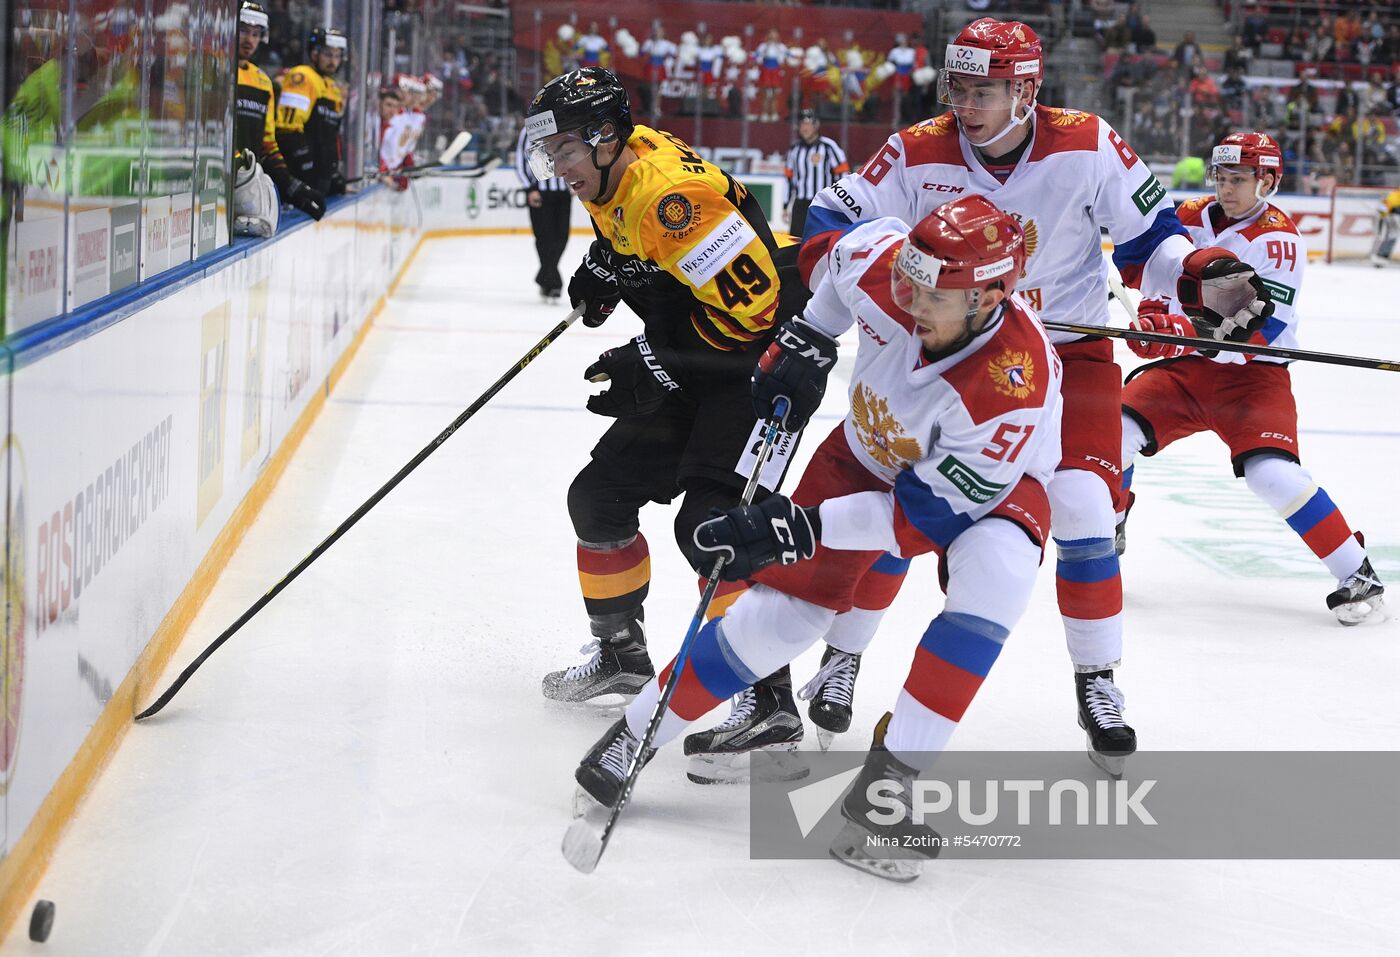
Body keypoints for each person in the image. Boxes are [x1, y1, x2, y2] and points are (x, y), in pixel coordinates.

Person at [791, 17, 1268, 776]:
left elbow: (1150, 237)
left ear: (1026, 90)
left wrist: (1200, 271)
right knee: (904, 497)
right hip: (951, 354)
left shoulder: (1086, 141)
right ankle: (843, 655)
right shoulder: (919, 147)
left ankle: (1097, 677)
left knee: (1085, 503)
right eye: (957, 88)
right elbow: (827, 220)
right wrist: (842, 288)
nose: (965, 106)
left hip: (1069, 354)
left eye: (984, 91)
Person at [573, 196, 1063, 882]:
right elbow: (833, 256)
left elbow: (914, 522)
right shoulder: (887, 264)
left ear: (987, 299)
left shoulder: (1010, 390)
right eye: (909, 285)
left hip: (992, 490)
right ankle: (634, 733)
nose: (912, 303)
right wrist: (811, 334)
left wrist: (798, 526)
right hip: (865, 453)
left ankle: (889, 790)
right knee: (785, 617)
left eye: (934, 297)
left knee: (997, 579)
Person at [524, 70, 810, 751]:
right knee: (598, 499)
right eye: (551, 153)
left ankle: (768, 698)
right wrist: (610, 265)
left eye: (565, 150)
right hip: (704, 364)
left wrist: (651, 358)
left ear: (605, 138)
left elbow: (755, 313)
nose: (557, 167)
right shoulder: (616, 170)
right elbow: (646, 247)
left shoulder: (671, 198)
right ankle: (622, 655)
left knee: (713, 527)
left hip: (762, 374)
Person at [1118, 133, 1385, 625]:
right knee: (1113, 433)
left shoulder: (1277, 240)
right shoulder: (1191, 214)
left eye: (1239, 179)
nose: (1226, 188)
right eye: (1221, 177)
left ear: (1267, 181)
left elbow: (1260, 330)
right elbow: (1154, 269)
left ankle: (1357, 572)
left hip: (1253, 378)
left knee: (1272, 474)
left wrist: (1176, 334)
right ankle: (1106, 531)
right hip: (1187, 371)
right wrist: (1153, 314)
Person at [233, 1, 323, 231]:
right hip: (219, 184)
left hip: (245, 187)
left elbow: (268, 144)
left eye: (255, 33)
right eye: (243, 30)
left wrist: (290, 184)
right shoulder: (218, 73)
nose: (249, 39)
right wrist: (239, 165)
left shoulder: (263, 82)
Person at [275, 27, 348, 198]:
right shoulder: (303, 77)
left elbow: (330, 135)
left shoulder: (332, 88)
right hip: (299, 175)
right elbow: (288, 130)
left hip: (319, 176)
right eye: (328, 55)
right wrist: (306, 165)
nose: (333, 61)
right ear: (314, 54)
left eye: (337, 56)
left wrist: (331, 172)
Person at [514, 121, 571, 302]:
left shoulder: (566, 126)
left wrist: (574, 182)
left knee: (561, 238)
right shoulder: (530, 130)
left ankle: (544, 278)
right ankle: (554, 283)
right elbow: (520, 161)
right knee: (545, 239)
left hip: (562, 193)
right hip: (540, 193)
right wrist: (530, 189)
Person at [782, 110, 849, 240]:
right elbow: (789, 179)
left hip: (822, 203)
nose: (804, 128)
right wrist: (785, 205)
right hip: (800, 205)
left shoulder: (828, 146)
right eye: (801, 124)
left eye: (808, 124)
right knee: (796, 243)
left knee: (821, 241)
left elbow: (843, 174)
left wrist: (839, 201)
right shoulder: (794, 149)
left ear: (816, 125)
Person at [1372, 186, 1400, 266]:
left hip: (1390, 216)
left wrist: (1382, 214)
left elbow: (1384, 206)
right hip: (1394, 216)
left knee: (1391, 235)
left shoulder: (1392, 194)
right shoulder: (1395, 195)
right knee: (1392, 235)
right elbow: (1386, 205)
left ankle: (1381, 255)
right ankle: (1382, 255)